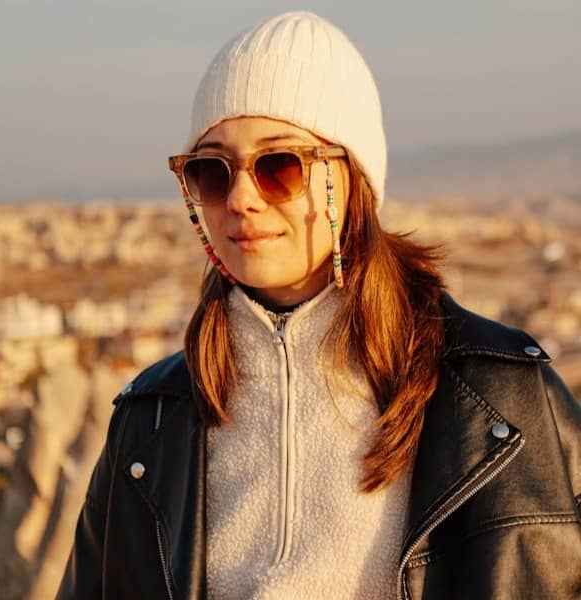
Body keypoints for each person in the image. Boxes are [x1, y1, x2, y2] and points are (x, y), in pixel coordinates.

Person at [57, 11, 581, 600]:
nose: (241, 198)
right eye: (211, 171)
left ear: (351, 177)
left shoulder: (501, 397)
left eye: (278, 165)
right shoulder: (150, 421)